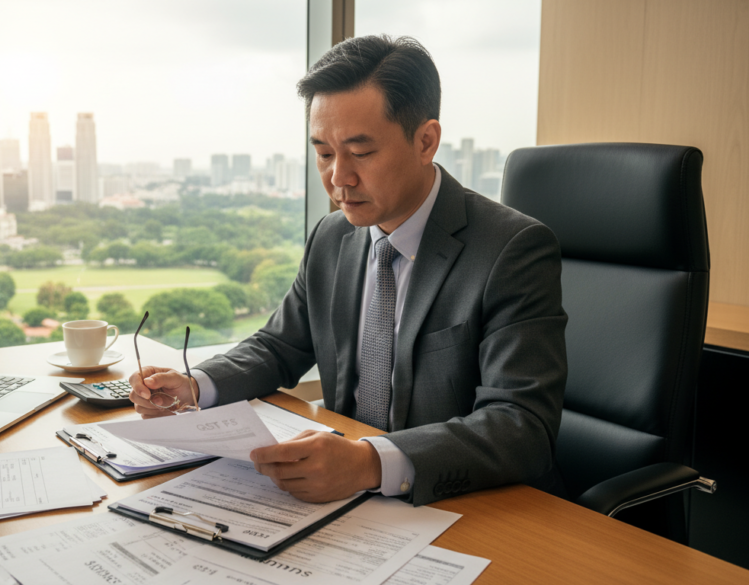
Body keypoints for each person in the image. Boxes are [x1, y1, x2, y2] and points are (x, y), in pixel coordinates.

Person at [129, 34, 568, 507]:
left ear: (426, 141)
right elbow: (280, 346)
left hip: (461, 504)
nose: (338, 177)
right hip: (343, 504)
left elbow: (521, 425)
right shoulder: (332, 236)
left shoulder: (510, 249)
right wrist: (197, 385)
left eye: (360, 152)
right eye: (323, 153)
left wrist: (367, 463)